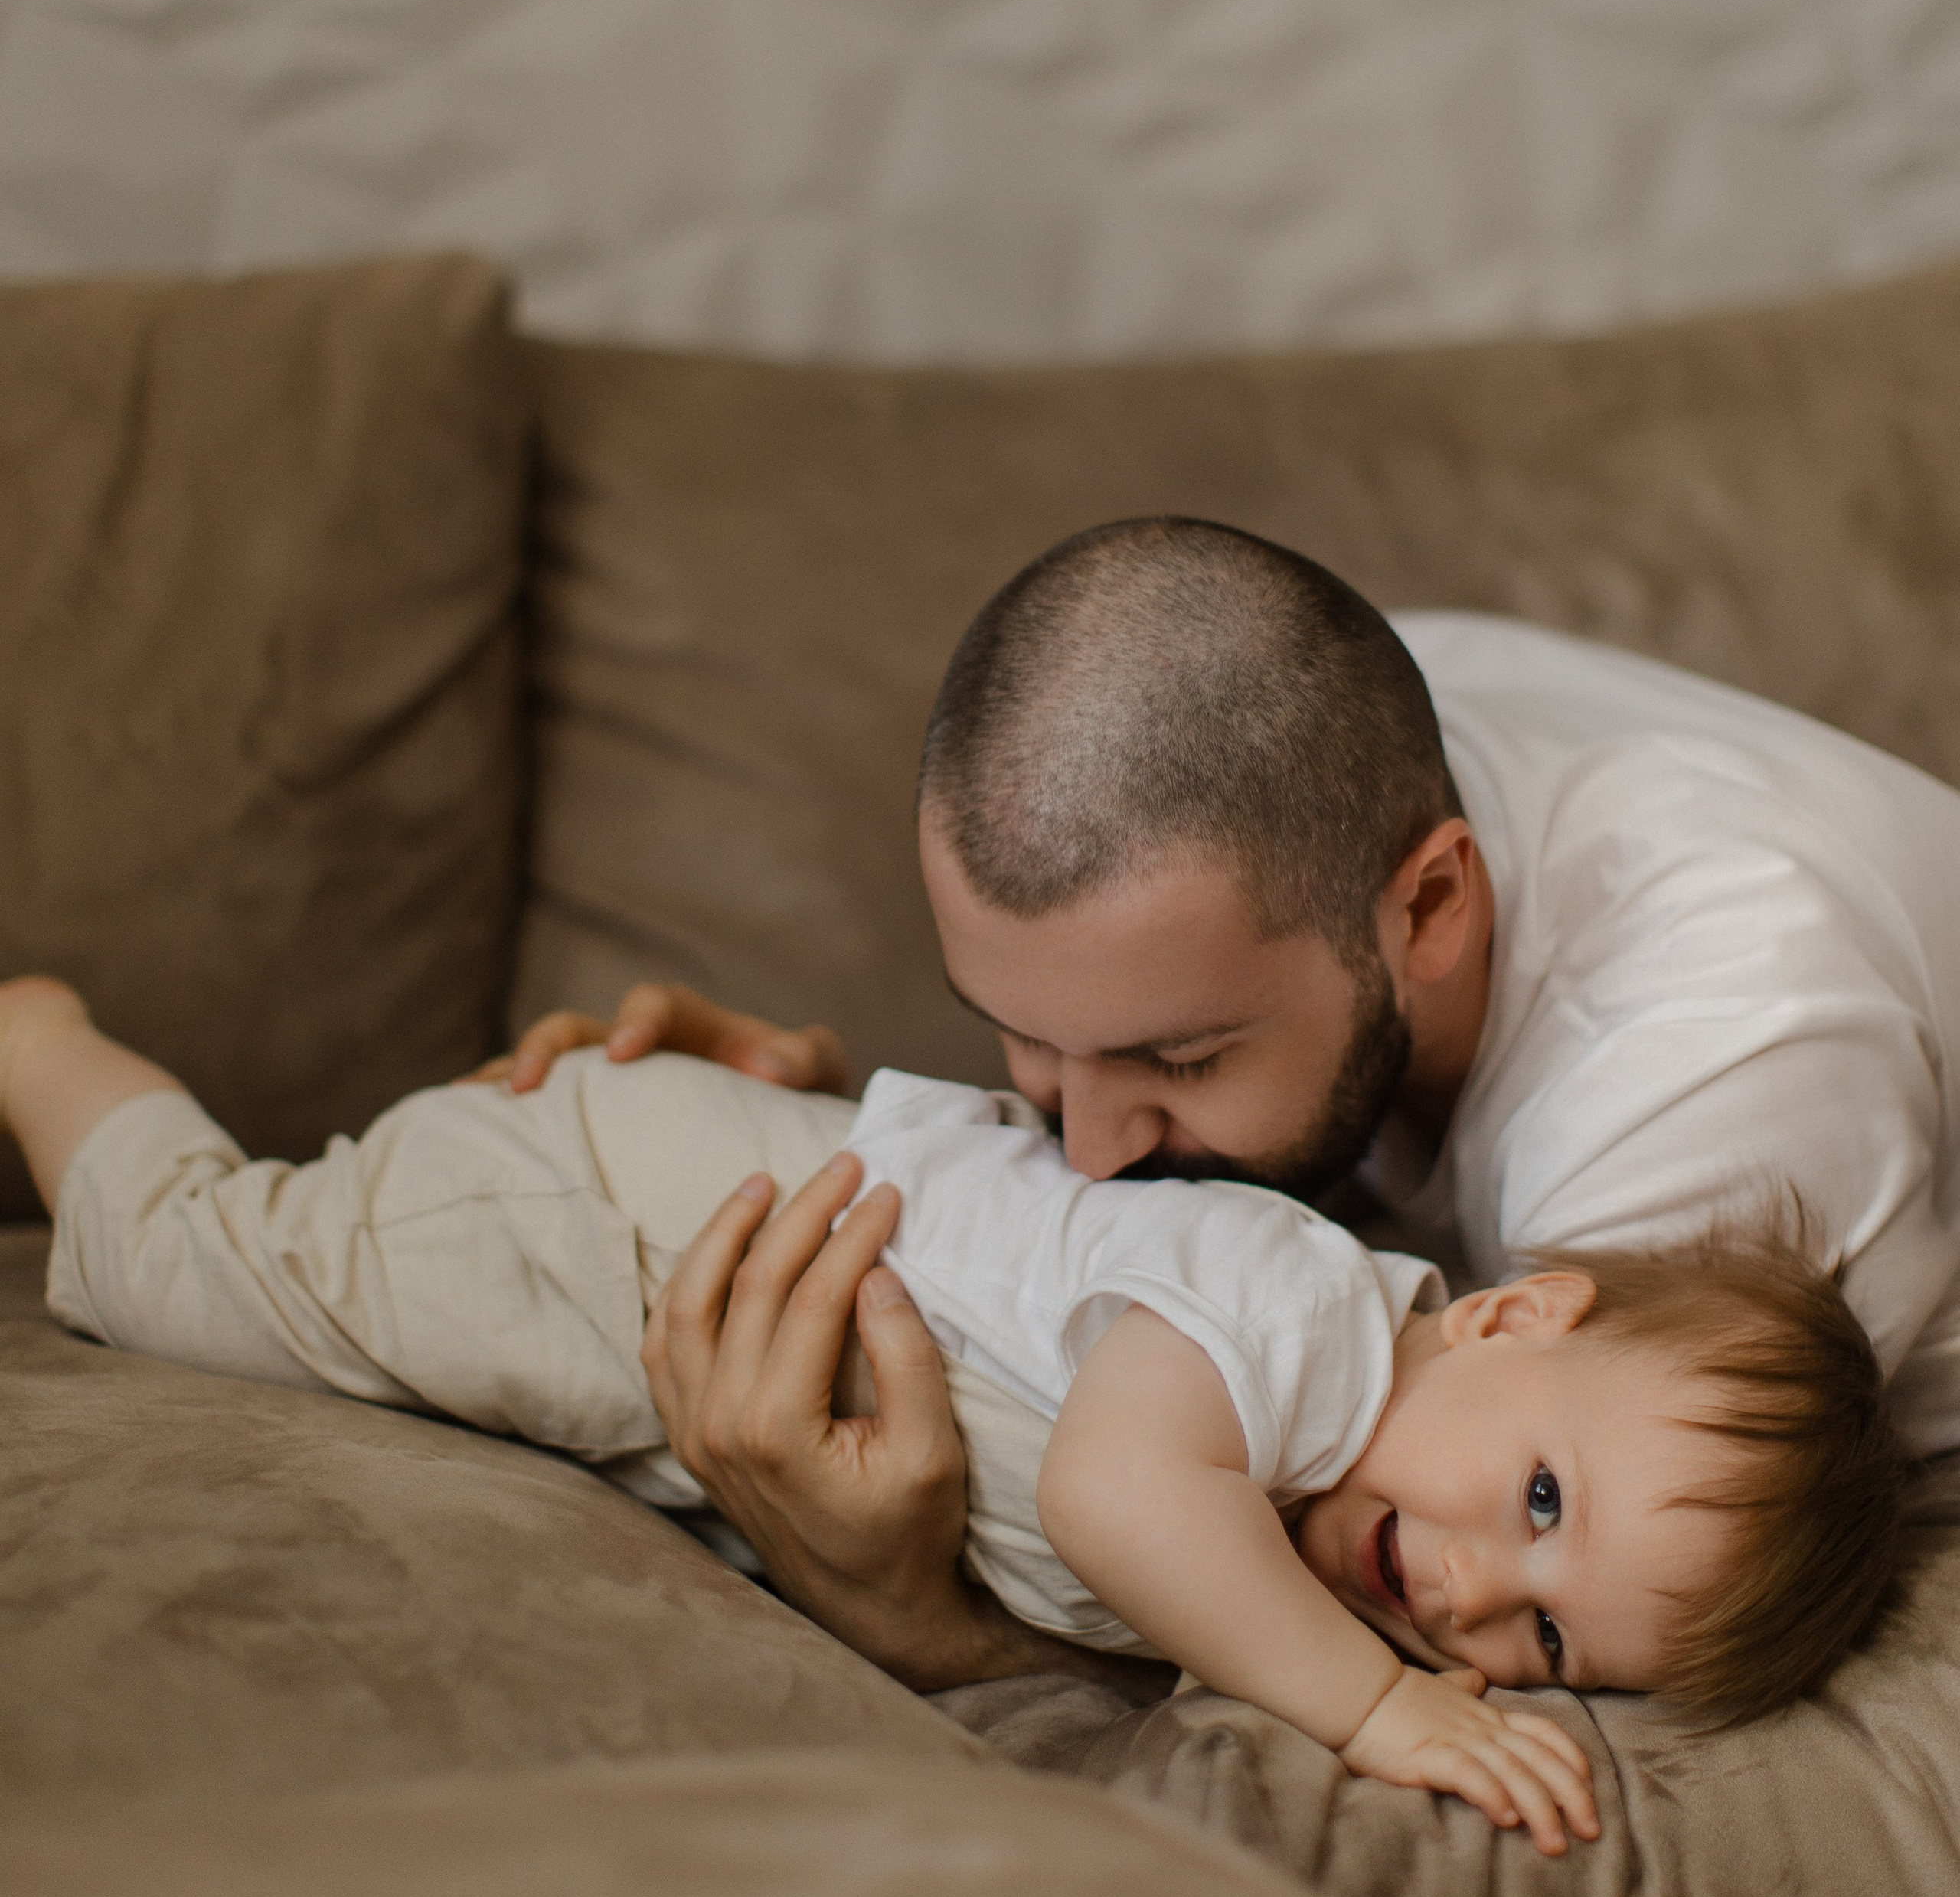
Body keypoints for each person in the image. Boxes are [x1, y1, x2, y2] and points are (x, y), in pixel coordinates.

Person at [490, 520, 1960, 1693]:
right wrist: (857, 1137)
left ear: (1431, 908)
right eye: (1023, 1037)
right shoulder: (1360, 717)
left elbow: (1421, 1596)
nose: (1084, 1143)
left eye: (1177, 1065)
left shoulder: (1710, 1110)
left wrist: (910, 1619)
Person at [0, 975, 1907, 1853]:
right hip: (630, 1218)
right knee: (192, 1274)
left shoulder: (1317, 1528)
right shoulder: (1311, 1320)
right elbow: (1110, 1492)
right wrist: (1382, 1709)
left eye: (1551, 1646)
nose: (1481, 1600)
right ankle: (48, 1049)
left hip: (658, 1293)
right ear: (1499, 1314)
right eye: (1544, 1496)